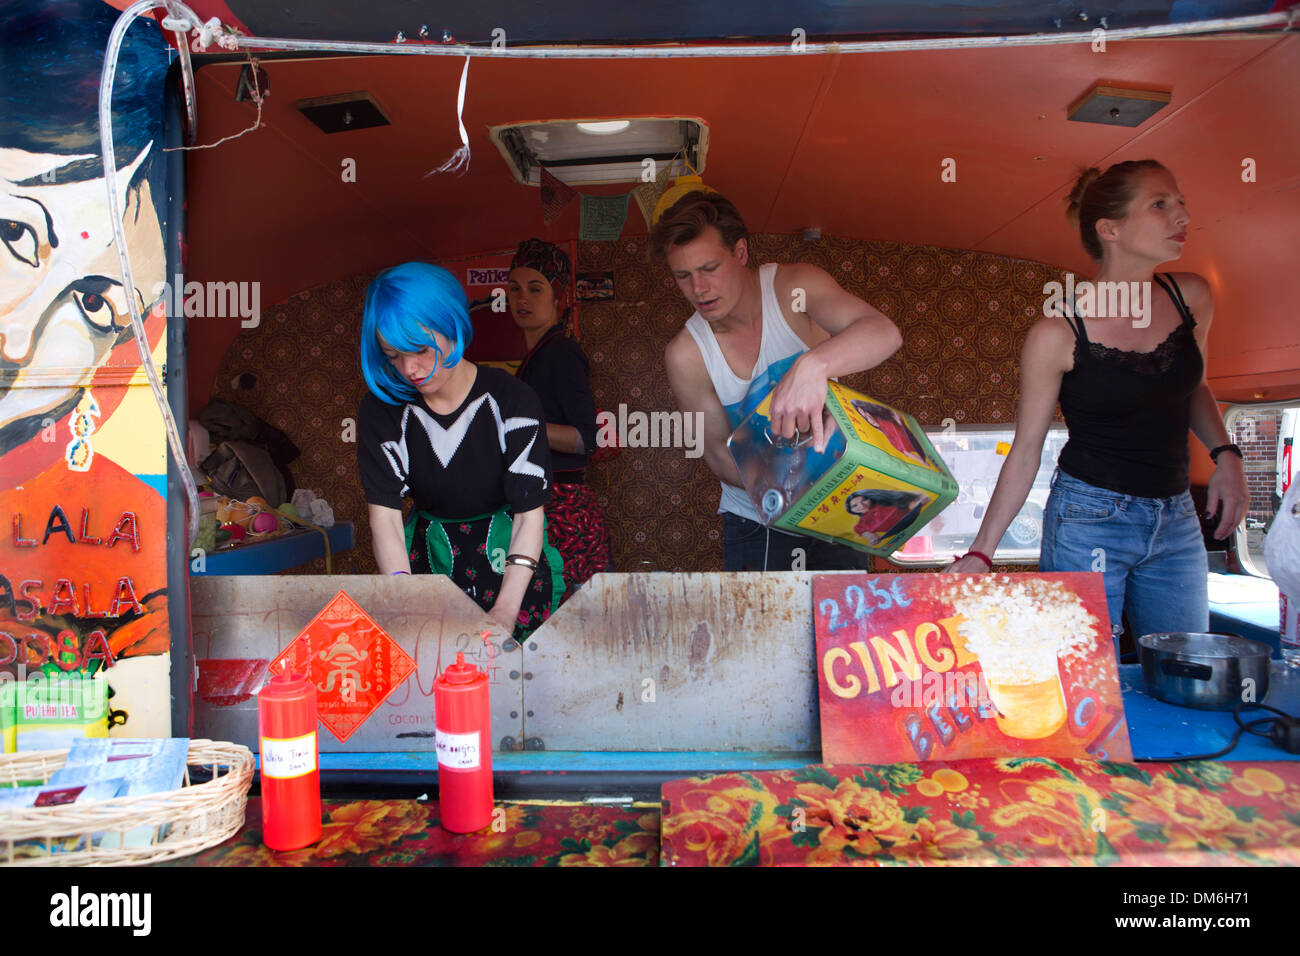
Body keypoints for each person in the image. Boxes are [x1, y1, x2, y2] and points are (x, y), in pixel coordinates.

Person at [945, 161, 1248, 644]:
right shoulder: (1057, 333)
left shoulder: (1193, 296)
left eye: (1181, 202)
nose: (1183, 216)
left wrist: (1225, 455)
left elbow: (1196, 388)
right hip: (1089, 520)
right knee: (1081, 678)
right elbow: (1025, 452)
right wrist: (982, 552)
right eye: (1160, 204)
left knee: (1185, 667)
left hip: (1177, 521)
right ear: (1110, 229)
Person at [654, 190, 903, 571]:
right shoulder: (686, 354)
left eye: (709, 268)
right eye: (683, 276)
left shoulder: (794, 290)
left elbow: (884, 332)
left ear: (740, 253)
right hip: (754, 523)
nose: (698, 289)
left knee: (836, 629)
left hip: (834, 511)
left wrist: (812, 366)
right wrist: (797, 491)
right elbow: (721, 457)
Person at [357, 262, 564, 640]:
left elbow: (528, 517)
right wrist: (404, 599)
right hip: (430, 556)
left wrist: (505, 609)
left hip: (511, 559)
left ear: (452, 324)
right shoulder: (381, 411)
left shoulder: (512, 400)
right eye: (392, 356)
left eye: (419, 349)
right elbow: (385, 518)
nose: (410, 369)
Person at [507, 238, 613, 598]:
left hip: (565, 510)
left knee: (569, 623)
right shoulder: (535, 357)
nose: (522, 299)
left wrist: (517, 427)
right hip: (540, 505)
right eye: (514, 289)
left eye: (535, 289)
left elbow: (587, 438)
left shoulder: (562, 353)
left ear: (558, 298)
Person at [846, 488, 930, 546]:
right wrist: (873, 539)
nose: (861, 505)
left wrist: (919, 504)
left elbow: (923, 499)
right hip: (904, 537)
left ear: (870, 498)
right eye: (854, 505)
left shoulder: (887, 501)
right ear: (851, 510)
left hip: (920, 522)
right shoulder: (861, 525)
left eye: (864, 500)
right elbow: (872, 538)